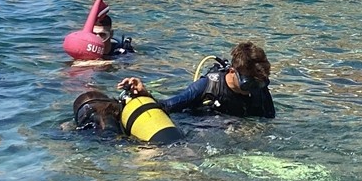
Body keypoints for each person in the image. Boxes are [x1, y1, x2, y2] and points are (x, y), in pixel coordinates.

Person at [119, 41, 275, 119]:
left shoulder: (260, 89)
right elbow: (167, 106)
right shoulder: (207, 86)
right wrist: (144, 94)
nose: (255, 88)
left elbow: (269, 121)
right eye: (249, 83)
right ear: (232, 71)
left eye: (261, 82)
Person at [71, 89, 182, 144]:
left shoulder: (106, 123)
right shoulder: (140, 108)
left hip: (155, 152)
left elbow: (111, 140)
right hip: (181, 141)